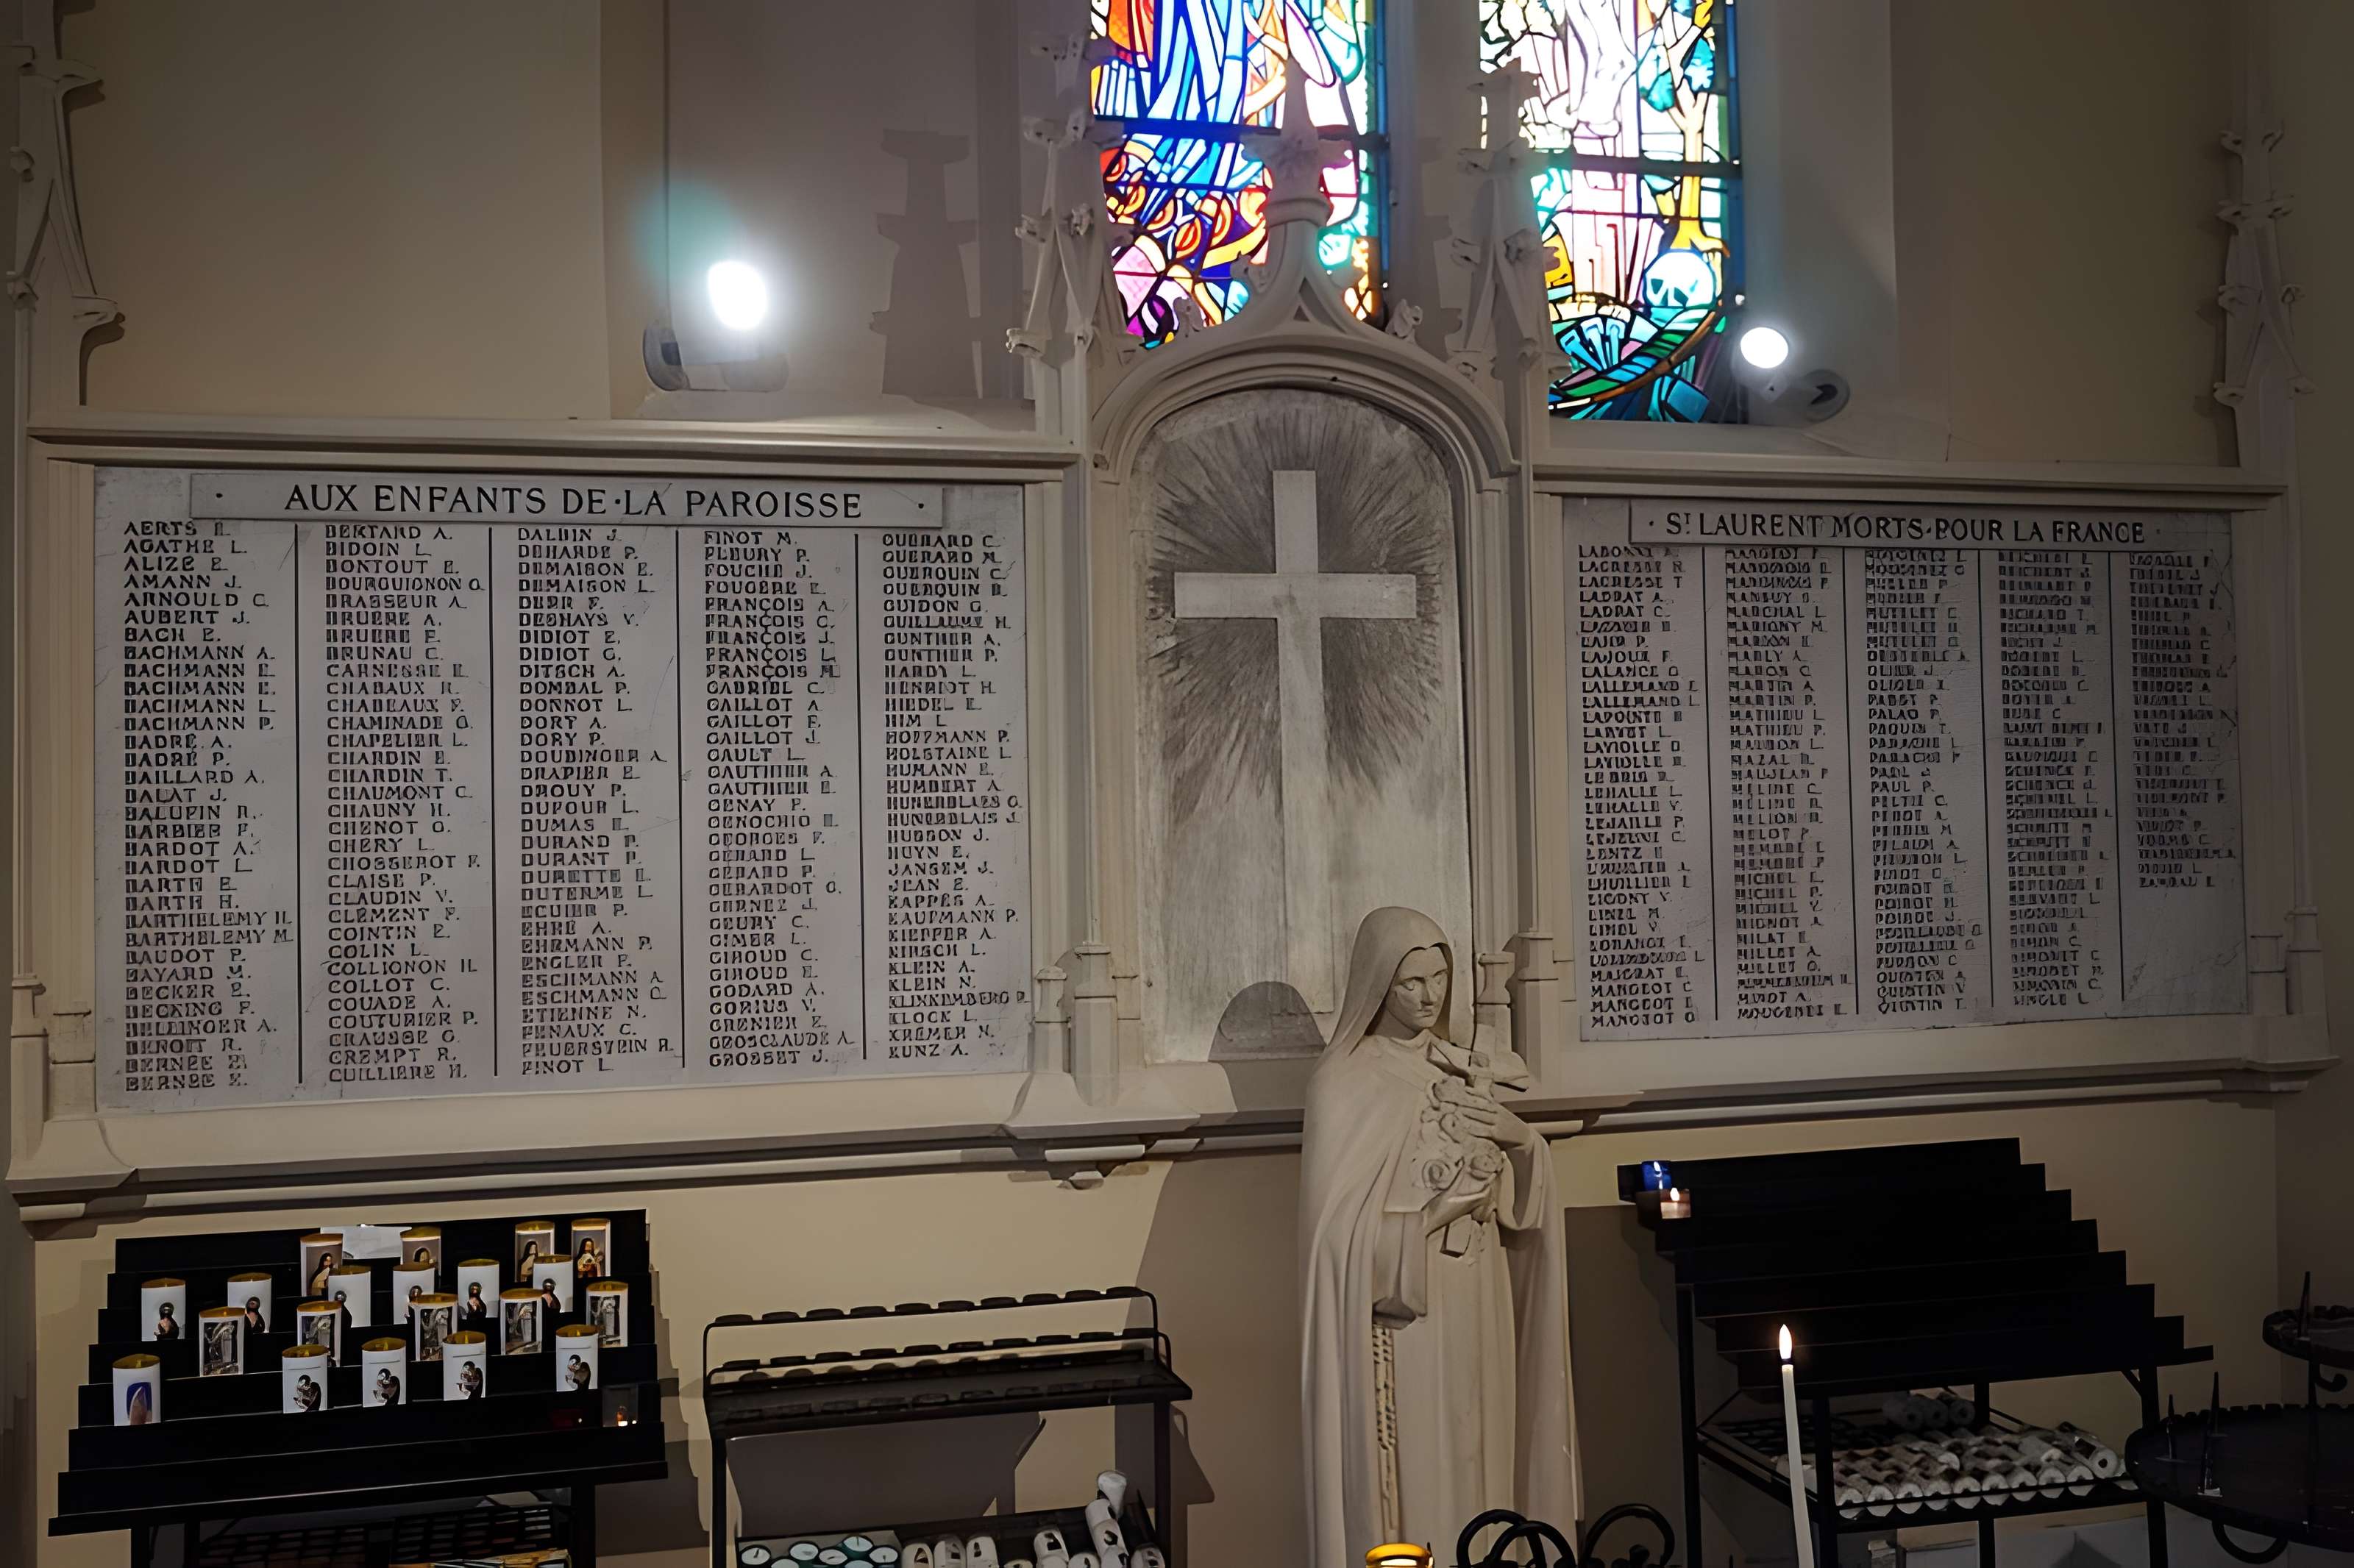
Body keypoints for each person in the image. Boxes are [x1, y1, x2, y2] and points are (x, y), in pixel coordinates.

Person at [1299, 908, 1579, 1568]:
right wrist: (1438, 1210)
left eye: (1439, 979)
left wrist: (1519, 1140)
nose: (1429, 998)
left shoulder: (1461, 1066)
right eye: (1410, 984)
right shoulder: (1344, 1082)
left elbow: (1524, 1191)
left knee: (1479, 1439)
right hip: (1407, 1315)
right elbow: (1333, 1245)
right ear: (1375, 986)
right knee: (1424, 1458)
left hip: (1476, 1294)